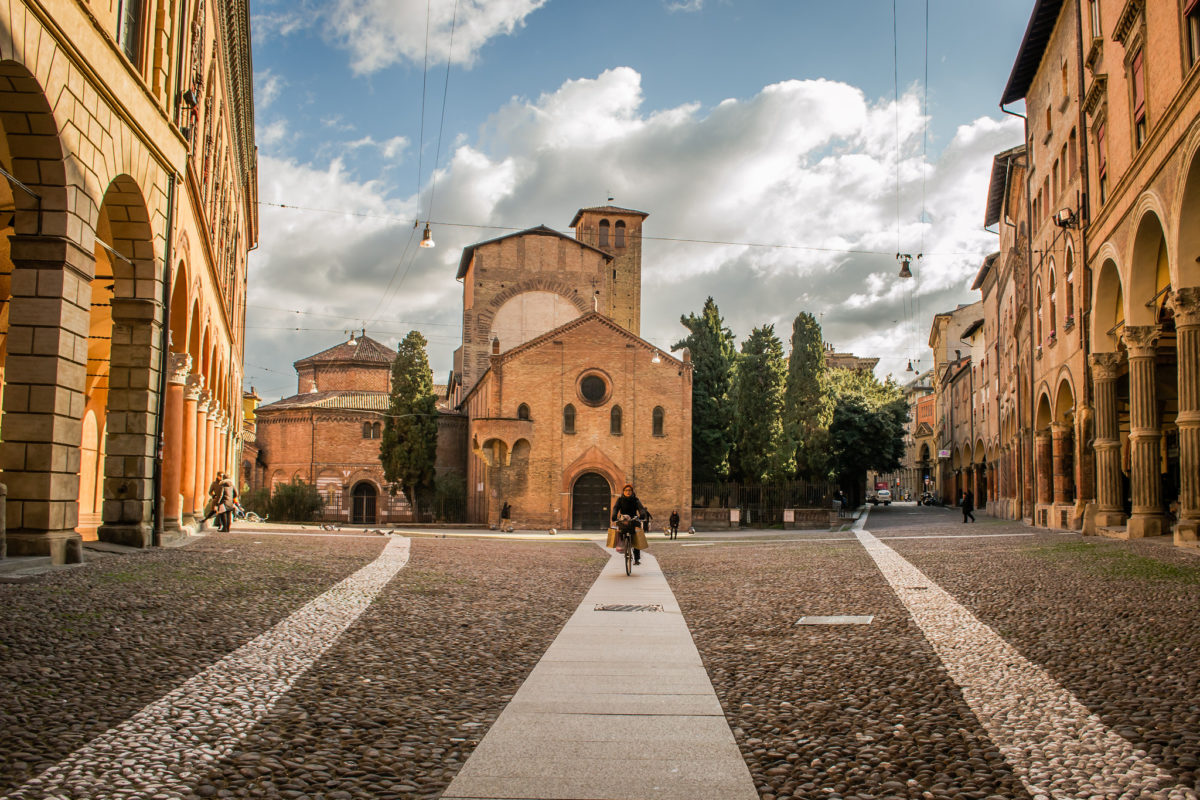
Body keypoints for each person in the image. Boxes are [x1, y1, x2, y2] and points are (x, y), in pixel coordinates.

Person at [611, 484, 649, 565]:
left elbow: (641, 508)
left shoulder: (635, 500)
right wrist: (614, 515)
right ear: (623, 492)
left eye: (629, 491)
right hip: (623, 520)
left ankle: (637, 559)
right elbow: (616, 508)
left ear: (632, 492)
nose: (628, 492)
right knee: (620, 531)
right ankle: (621, 545)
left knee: (636, 537)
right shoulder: (620, 500)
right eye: (626, 490)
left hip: (633, 520)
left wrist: (642, 514)